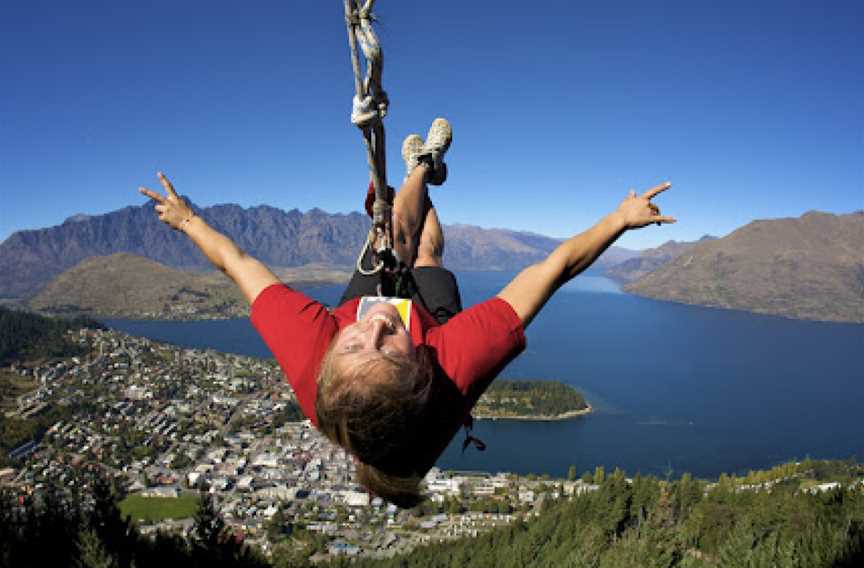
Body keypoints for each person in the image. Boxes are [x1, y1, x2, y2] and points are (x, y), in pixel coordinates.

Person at [139, 117, 675, 508]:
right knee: (427, 255)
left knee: (393, 238)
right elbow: (551, 271)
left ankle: (416, 173)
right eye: (386, 347)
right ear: (417, 366)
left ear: (331, 353)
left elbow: (238, 263)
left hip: (364, 361)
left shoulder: (310, 350)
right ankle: (422, 170)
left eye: (354, 342)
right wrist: (618, 220)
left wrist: (187, 222)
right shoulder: (451, 367)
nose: (377, 322)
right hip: (432, 343)